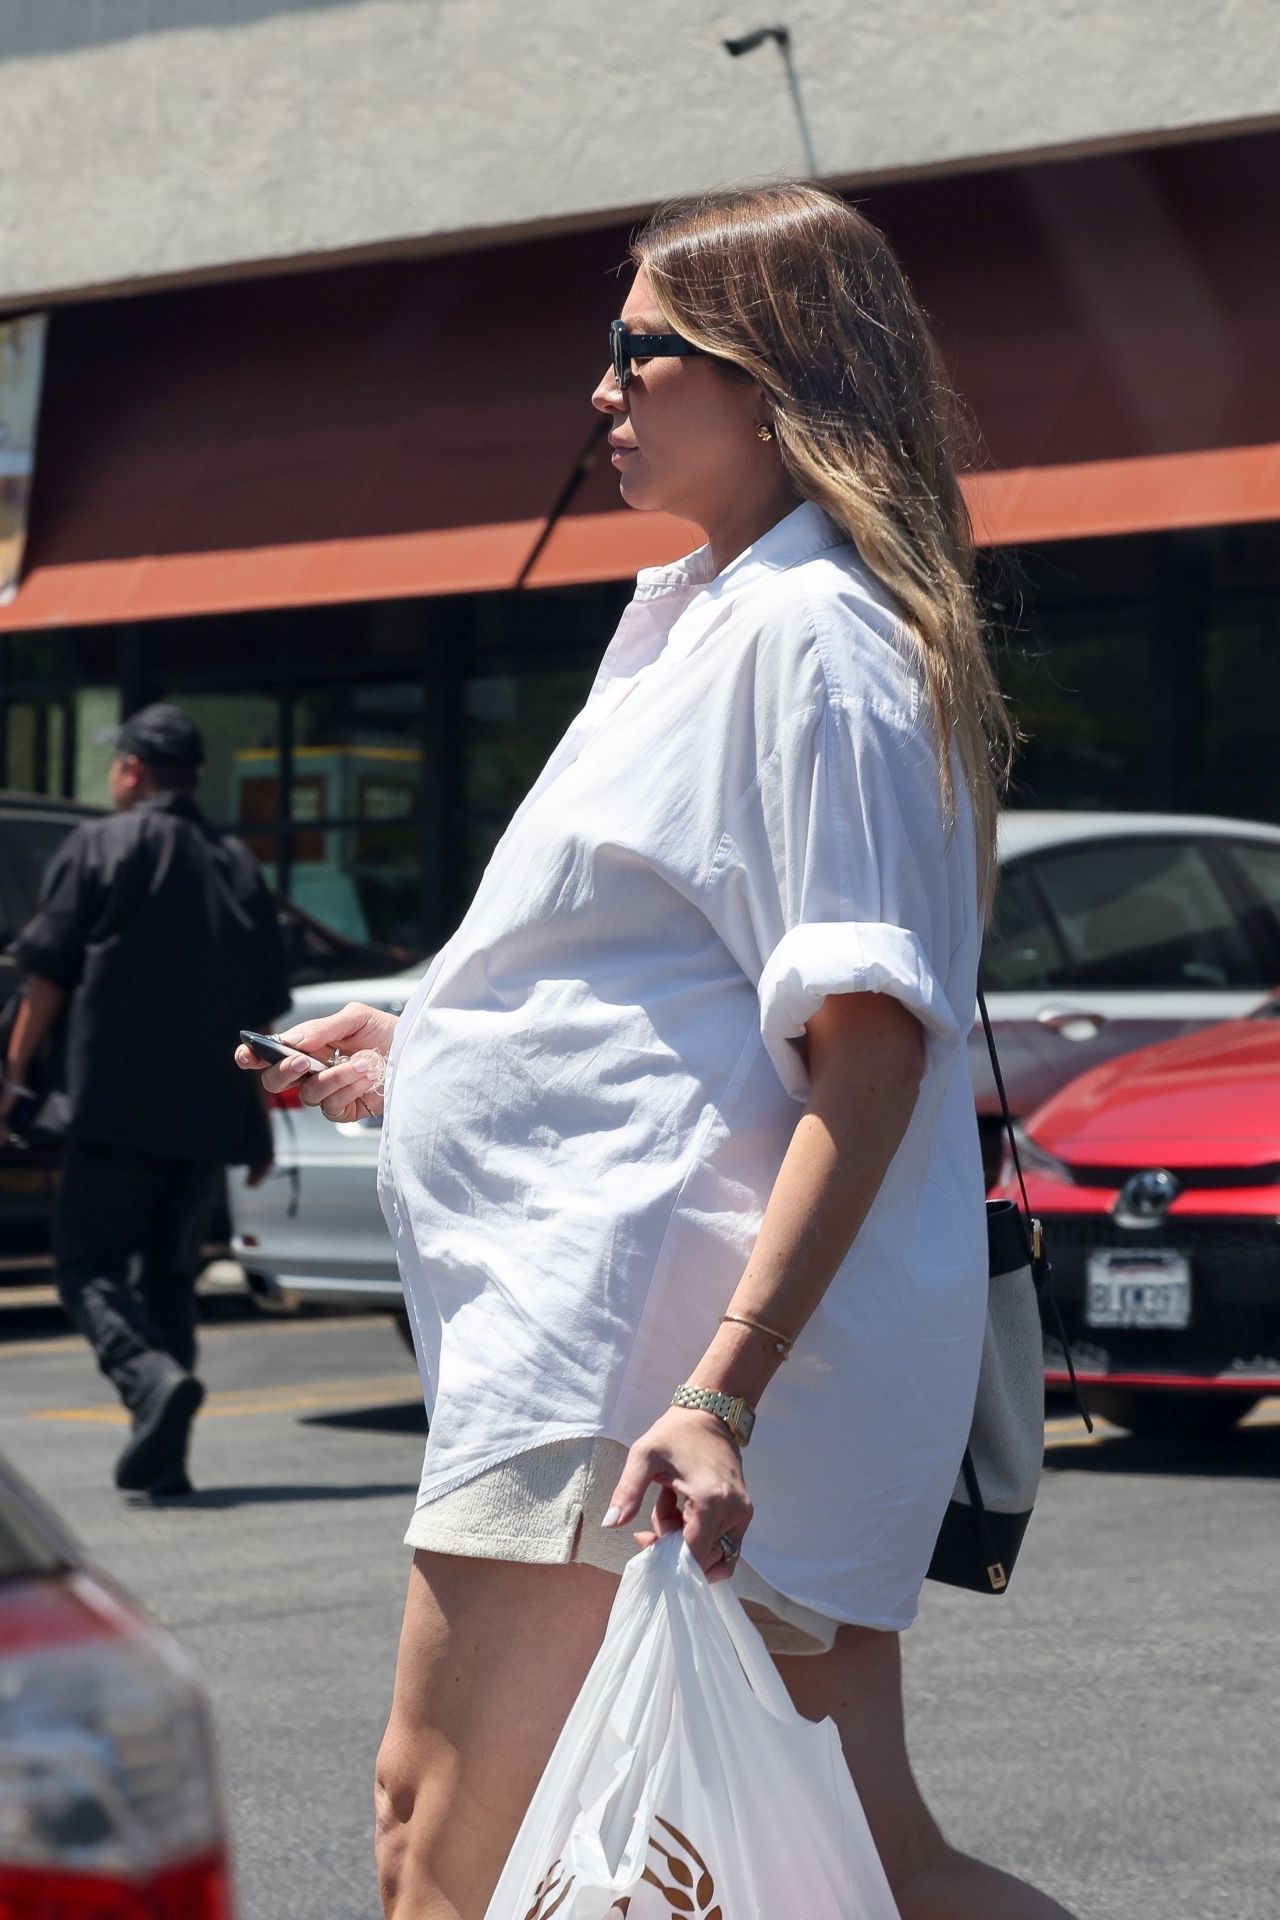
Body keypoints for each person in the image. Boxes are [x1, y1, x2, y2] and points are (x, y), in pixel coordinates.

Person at [238, 185, 1077, 1920]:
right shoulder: (703, 615)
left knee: (443, 1845)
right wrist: (429, 1043)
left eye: (641, 350)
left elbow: (869, 1060)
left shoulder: (814, 639)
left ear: (773, 377)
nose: (602, 388)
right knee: (864, 1868)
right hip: (636, 1349)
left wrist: (717, 1394)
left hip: (639, 1364)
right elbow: (670, 979)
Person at [6, 702, 287, 1497]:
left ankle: (148, 1381)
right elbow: (260, 1014)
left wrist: (12, 1080)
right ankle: (165, 1463)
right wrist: (260, 1121)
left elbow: (48, 973)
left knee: (86, 1267)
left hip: (113, 1109)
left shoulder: (102, 842)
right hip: (205, 1115)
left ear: (131, 770)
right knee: (169, 1281)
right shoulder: (236, 862)